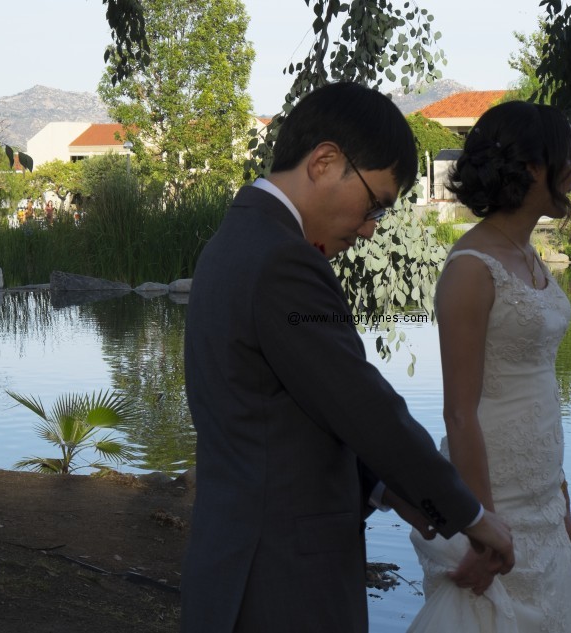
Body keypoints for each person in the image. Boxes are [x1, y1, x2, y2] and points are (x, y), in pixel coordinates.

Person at [181, 82, 515, 633]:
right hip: (280, 582)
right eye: (374, 204)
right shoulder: (283, 262)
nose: (367, 229)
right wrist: (471, 516)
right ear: (325, 161)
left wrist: (386, 488)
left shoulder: (236, 240)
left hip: (239, 565)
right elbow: (361, 404)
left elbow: (285, 415)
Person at [407, 101, 571, 632]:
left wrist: (561, 496)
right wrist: (482, 526)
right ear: (535, 169)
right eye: (569, 160)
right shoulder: (471, 269)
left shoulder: (530, 256)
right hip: (493, 495)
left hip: (541, 491)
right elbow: (459, 414)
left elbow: (539, 387)